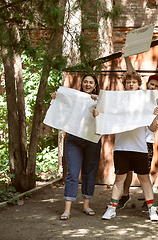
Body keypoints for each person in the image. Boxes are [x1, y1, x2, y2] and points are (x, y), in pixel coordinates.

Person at [100, 68, 158, 221]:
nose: (131, 84)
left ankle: (152, 209)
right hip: (121, 147)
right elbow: (105, 112)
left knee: (144, 179)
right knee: (119, 179)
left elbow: (152, 128)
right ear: (125, 84)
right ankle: (112, 208)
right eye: (128, 82)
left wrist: (154, 115)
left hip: (139, 147)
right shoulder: (117, 101)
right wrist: (98, 113)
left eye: (134, 82)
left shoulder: (145, 100)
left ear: (138, 84)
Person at [117, 52, 158, 212]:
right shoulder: (139, 95)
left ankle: (148, 202)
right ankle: (124, 195)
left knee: (143, 173)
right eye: (151, 84)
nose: (152, 87)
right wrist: (126, 57)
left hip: (146, 141)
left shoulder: (156, 100)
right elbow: (131, 75)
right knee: (125, 172)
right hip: (131, 138)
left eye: (156, 86)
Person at [54, 74, 102, 220]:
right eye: (85, 82)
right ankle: (67, 210)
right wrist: (57, 97)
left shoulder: (101, 101)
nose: (88, 84)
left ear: (95, 86)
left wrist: (99, 111)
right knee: (72, 173)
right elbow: (62, 104)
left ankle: (86, 206)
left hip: (92, 140)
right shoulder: (73, 97)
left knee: (89, 172)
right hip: (73, 139)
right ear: (82, 84)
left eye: (91, 83)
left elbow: (108, 118)